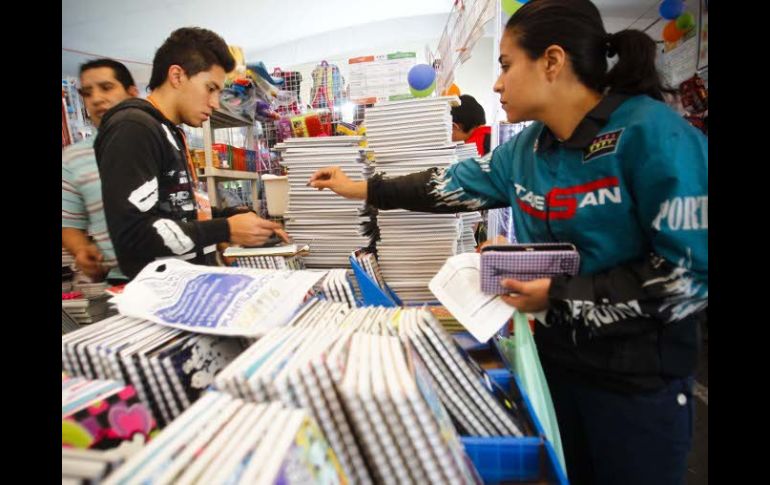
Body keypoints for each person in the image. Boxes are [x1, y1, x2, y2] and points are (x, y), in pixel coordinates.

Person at [308, 1, 707, 483]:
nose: (496, 83)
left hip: (639, 386)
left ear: (552, 62)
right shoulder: (526, 149)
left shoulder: (654, 135)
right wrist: (358, 188)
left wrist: (558, 295)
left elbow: (689, 275)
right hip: (555, 370)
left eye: (504, 64)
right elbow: (443, 185)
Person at [95, 27, 288, 279]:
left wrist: (231, 216)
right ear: (177, 76)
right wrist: (224, 229)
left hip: (185, 291)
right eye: (210, 88)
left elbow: (175, 212)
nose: (215, 103)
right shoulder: (133, 127)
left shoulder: (169, 131)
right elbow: (132, 235)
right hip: (158, 298)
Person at [62, 59, 139, 283]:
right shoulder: (72, 158)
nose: (96, 99)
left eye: (107, 87)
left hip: (176, 273)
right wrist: (82, 250)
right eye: (87, 92)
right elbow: (68, 223)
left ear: (132, 94)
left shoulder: (155, 140)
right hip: (120, 283)